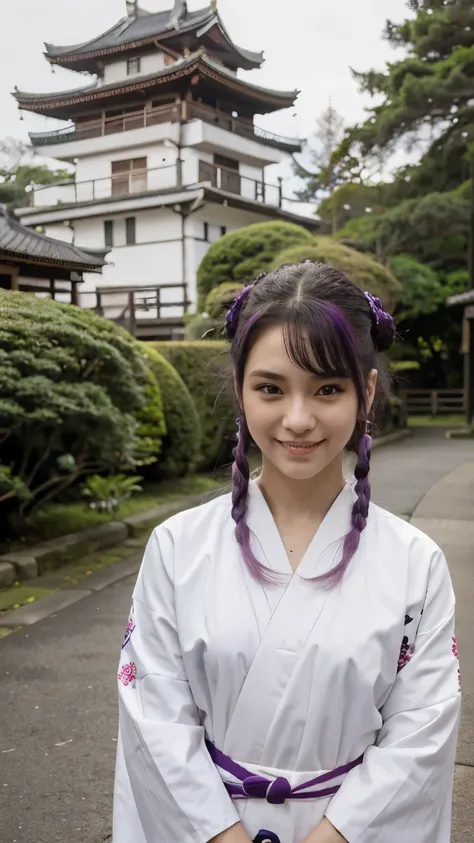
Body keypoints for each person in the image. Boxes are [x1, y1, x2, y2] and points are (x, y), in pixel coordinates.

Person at [113, 261, 461, 843]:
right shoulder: (176, 548)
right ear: (240, 389)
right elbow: (154, 722)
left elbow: (421, 731)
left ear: (366, 391)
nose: (298, 420)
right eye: (271, 388)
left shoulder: (415, 562)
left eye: (328, 388)